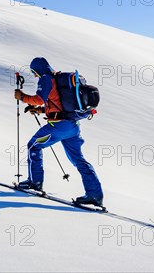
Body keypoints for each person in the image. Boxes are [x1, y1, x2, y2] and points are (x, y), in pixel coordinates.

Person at [14, 57, 104, 206]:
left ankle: (34, 182)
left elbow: (39, 98)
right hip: (72, 127)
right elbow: (57, 104)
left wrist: (22, 97)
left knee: (33, 145)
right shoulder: (57, 78)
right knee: (78, 160)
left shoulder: (45, 79)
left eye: (34, 72)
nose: (35, 75)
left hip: (59, 127)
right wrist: (40, 110)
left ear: (38, 69)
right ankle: (95, 194)